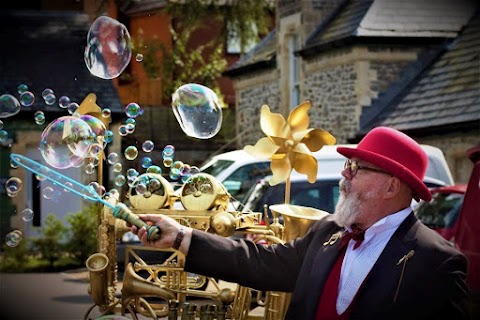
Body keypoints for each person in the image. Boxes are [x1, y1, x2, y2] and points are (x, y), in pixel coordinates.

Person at [130, 126, 471, 319]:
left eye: (356, 167)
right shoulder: (327, 232)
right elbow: (260, 263)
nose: (344, 174)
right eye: (347, 165)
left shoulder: (436, 260)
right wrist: (180, 237)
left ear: (392, 186)